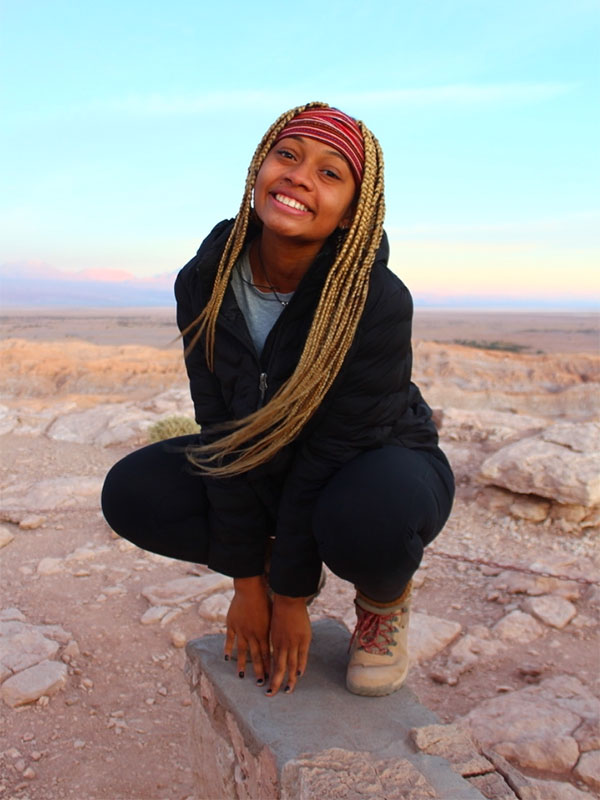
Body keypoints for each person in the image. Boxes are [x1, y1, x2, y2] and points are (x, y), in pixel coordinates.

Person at [101, 102, 454, 698]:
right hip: (265, 451)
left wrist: (291, 598)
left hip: (369, 457)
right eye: (287, 156)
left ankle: (383, 600)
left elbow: (331, 450)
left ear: (351, 214)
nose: (298, 176)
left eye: (329, 173)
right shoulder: (205, 279)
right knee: (135, 494)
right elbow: (220, 429)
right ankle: (275, 558)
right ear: (258, 171)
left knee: (370, 519)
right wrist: (248, 584)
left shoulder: (376, 301)